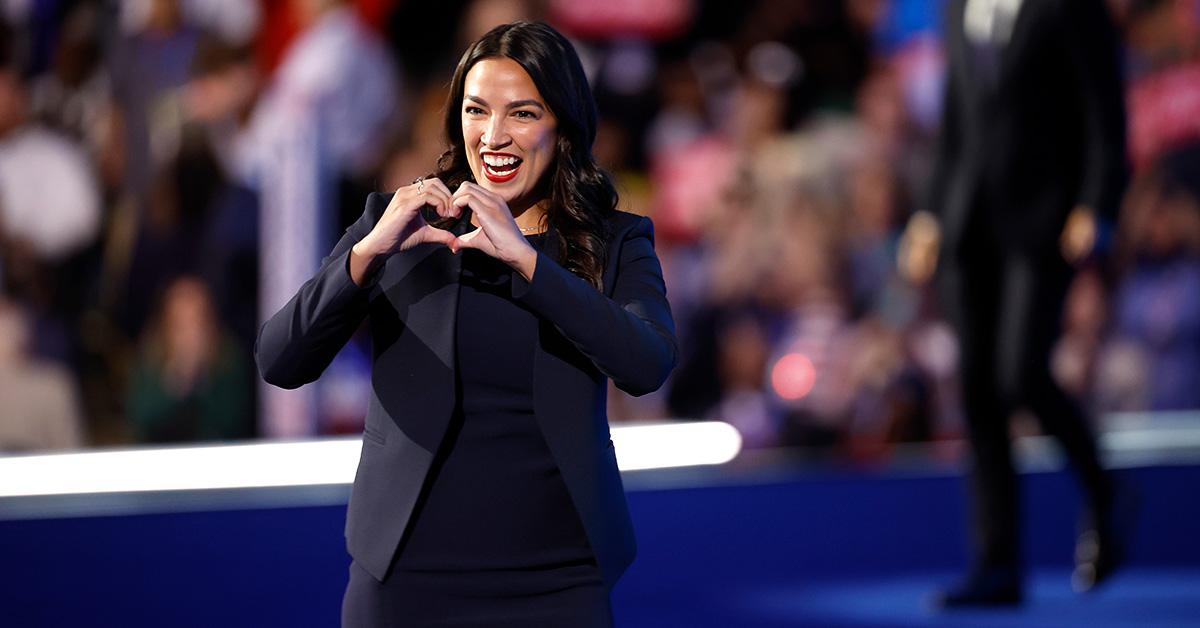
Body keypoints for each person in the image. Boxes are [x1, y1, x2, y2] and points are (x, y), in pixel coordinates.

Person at [255, 21, 677, 627]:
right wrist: (366, 253)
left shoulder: (614, 241)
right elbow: (280, 359)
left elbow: (647, 363)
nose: (494, 135)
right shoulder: (404, 224)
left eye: (523, 113)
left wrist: (529, 263)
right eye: (477, 111)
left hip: (557, 582)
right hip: (406, 578)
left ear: (563, 125)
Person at [900, 0, 1128, 607]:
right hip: (967, 226)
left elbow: (1105, 110)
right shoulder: (957, 10)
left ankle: (1106, 492)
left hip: (1045, 221)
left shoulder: (1068, 7)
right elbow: (957, 121)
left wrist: (1098, 204)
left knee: (1020, 374)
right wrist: (928, 212)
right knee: (977, 390)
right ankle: (996, 564)